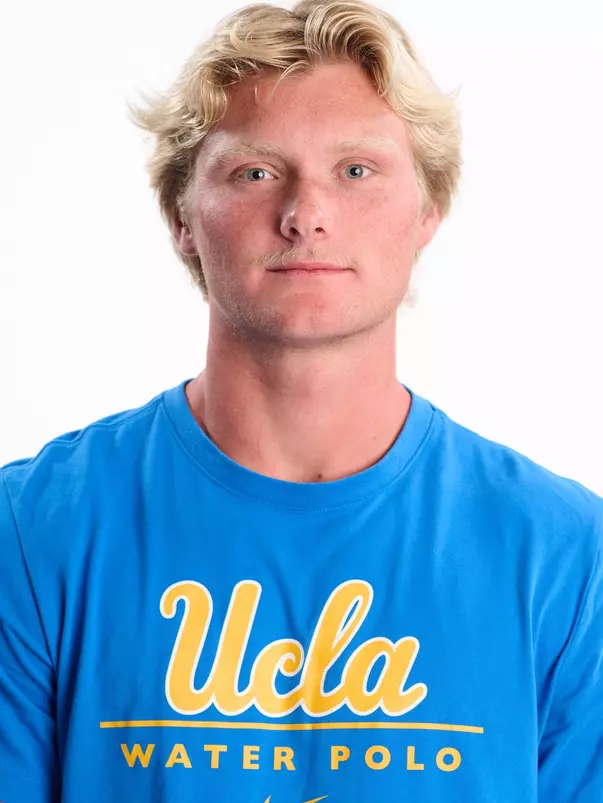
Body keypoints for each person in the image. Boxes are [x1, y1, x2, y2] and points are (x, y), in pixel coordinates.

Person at [1, 0, 601, 800]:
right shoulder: (31, 534)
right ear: (181, 216)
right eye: (254, 172)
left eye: (357, 170)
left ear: (428, 212)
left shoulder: (563, 555)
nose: (305, 214)